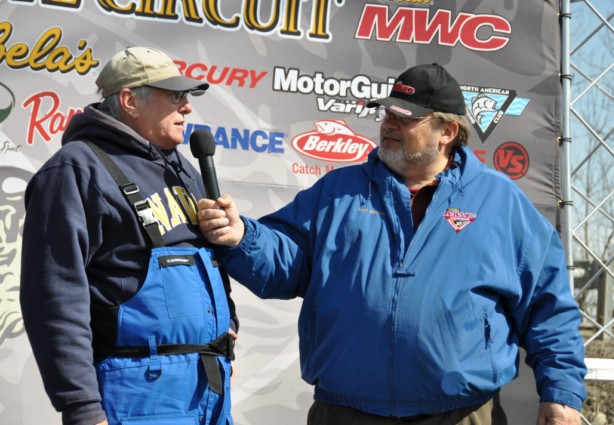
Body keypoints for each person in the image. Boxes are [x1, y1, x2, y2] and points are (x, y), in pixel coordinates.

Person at [197, 63, 587, 425]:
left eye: (406, 117)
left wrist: (562, 393)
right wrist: (242, 236)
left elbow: (548, 304)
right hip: (346, 411)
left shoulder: (500, 202)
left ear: (447, 132)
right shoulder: (338, 191)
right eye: (387, 114)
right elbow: (285, 259)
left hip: (461, 414)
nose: (389, 124)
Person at [20, 46, 238, 425]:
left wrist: (228, 319)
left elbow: (206, 259)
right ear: (129, 101)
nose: (187, 107)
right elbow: (55, 296)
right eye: (175, 96)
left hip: (208, 393)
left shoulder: (182, 167)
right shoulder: (76, 170)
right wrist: (83, 407)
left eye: (186, 96)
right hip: (136, 397)